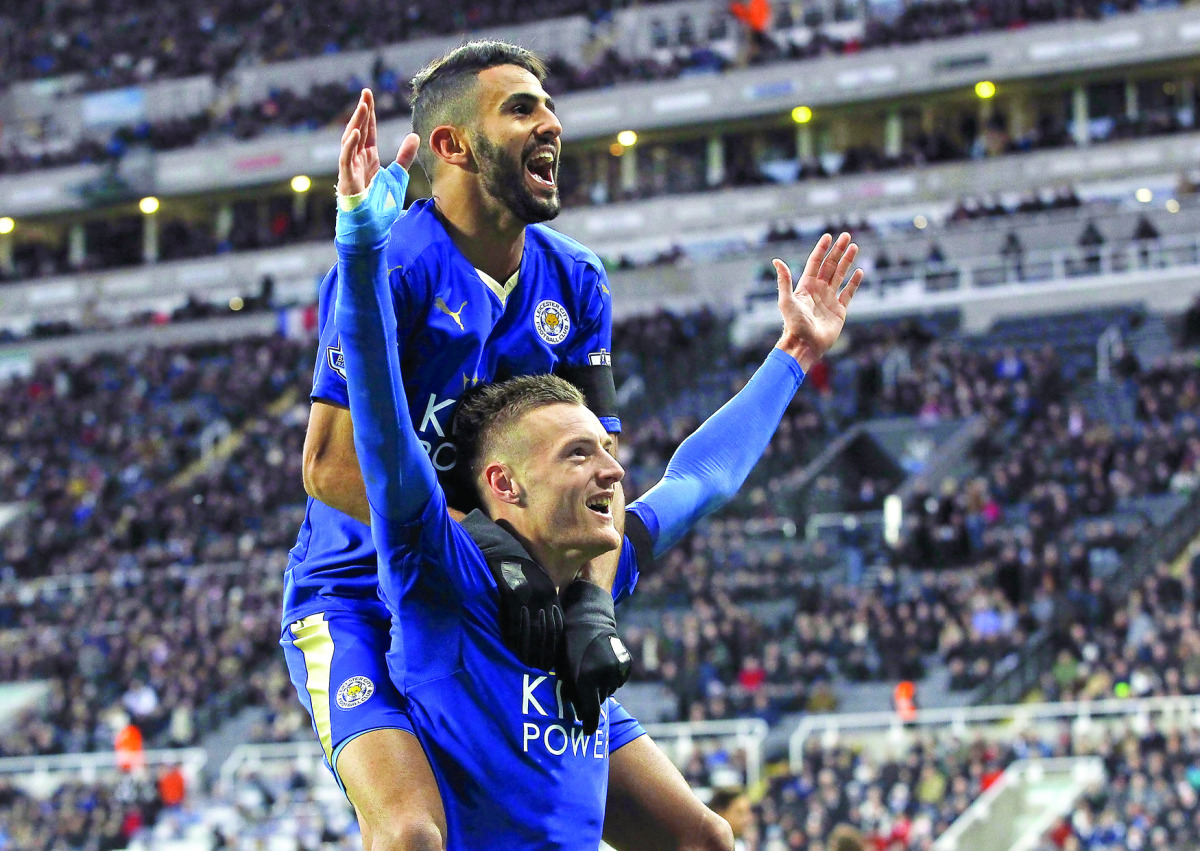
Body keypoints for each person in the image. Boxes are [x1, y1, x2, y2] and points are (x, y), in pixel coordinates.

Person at [333, 141, 862, 846]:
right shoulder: (441, 569)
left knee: (706, 838)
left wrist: (793, 354)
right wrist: (362, 255)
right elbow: (377, 426)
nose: (612, 472)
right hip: (381, 671)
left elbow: (703, 479)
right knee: (410, 838)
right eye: (579, 455)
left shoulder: (590, 583)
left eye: (606, 451)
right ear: (504, 484)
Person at [284, 40, 730, 850]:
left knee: (697, 837)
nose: (551, 123)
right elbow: (327, 466)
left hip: (506, 610)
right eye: (521, 108)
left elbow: (604, 475)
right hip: (356, 598)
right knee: (412, 835)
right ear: (452, 145)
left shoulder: (578, 282)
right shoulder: (392, 268)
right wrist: (482, 551)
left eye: (550, 106)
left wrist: (587, 604)